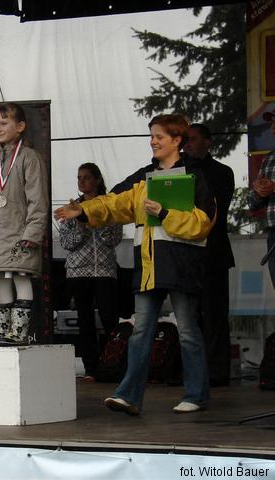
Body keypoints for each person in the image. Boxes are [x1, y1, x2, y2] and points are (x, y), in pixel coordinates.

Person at [55, 113, 215, 415]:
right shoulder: (143, 178)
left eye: (159, 136)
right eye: (151, 136)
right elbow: (113, 202)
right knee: (140, 331)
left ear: (177, 140)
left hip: (181, 263)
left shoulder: (195, 176)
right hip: (150, 265)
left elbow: (204, 222)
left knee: (188, 331)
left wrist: (165, 213)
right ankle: (128, 396)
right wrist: (83, 210)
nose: (153, 141)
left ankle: (196, 395)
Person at [0, 103, 48, 346]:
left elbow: (38, 200)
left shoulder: (29, 158)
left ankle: (20, 332)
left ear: (20, 126)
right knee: (1, 279)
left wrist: (32, 233)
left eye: (4, 123)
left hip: (21, 234)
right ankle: (2, 331)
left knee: (21, 277)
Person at [58, 163, 122, 379]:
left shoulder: (109, 205)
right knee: (84, 321)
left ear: (97, 180)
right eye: (79, 178)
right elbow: (66, 243)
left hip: (104, 270)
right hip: (78, 272)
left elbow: (114, 239)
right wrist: (80, 227)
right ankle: (91, 368)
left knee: (109, 317)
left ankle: (113, 363)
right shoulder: (71, 208)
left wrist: (93, 219)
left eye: (86, 177)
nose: (81, 181)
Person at [184, 123, 235, 387]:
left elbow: (214, 210)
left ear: (208, 142)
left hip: (213, 252)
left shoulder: (222, 172)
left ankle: (217, 371)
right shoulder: (178, 170)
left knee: (215, 314)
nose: (188, 144)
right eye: (185, 140)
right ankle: (191, 370)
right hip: (186, 254)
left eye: (193, 139)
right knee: (189, 316)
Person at [249, 109, 275, 287]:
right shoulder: (269, 159)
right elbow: (253, 203)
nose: (272, 128)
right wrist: (259, 192)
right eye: (271, 124)